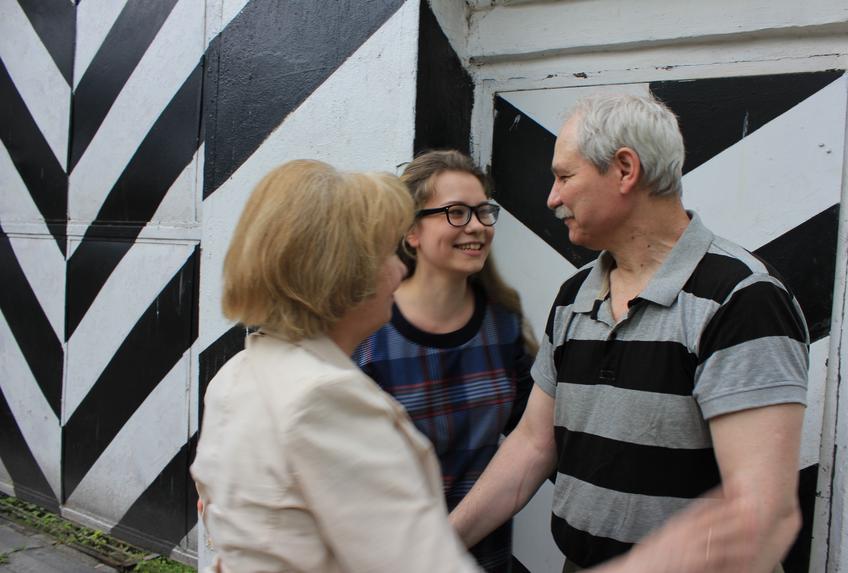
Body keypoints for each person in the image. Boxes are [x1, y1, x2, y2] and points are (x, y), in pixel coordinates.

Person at [449, 93, 809, 573]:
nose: (552, 198)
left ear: (624, 169)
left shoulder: (742, 299)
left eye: (564, 176)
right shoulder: (575, 294)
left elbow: (762, 514)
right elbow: (533, 444)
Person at [190, 160, 482, 572]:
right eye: (387, 254)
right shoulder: (323, 398)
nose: (401, 270)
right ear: (342, 273)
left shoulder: (238, 373)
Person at [353, 150, 536, 573]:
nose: (476, 226)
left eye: (483, 211)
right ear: (411, 231)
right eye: (455, 212)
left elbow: (536, 437)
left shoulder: (502, 324)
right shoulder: (367, 333)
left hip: (485, 562)